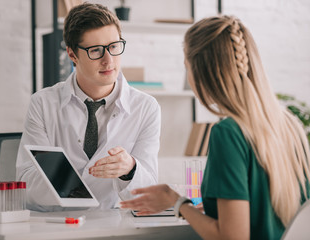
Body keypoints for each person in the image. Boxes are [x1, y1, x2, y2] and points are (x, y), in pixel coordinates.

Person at [120, 15, 310, 239]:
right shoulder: (292, 126)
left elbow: (232, 237)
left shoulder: (228, 133)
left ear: (202, 71)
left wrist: (176, 202)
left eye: (186, 67)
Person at [16, 3, 161, 211]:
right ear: (72, 54)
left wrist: (130, 169)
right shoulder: (43, 104)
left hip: (116, 226)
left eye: (113, 46)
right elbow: (25, 184)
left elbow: (148, 191)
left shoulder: (146, 108)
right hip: (56, 226)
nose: (108, 60)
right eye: (95, 51)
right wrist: (66, 179)